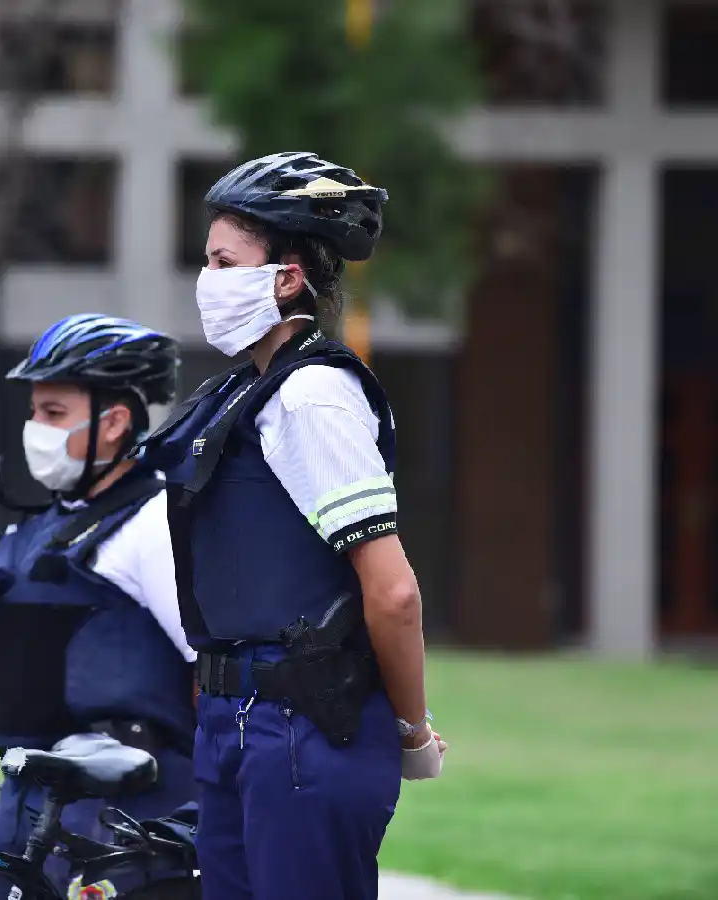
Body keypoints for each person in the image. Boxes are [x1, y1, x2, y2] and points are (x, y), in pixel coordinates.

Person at [137, 152, 447, 900]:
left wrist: (411, 730)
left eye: (223, 261)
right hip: (237, 725)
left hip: (304, 733)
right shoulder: (247, 392)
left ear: (284, 277)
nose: (207, 280)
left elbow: (393, 592)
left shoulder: (313, 399)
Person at [0, 313, 198, 900]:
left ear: (115, 421)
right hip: (32, 796)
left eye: (54, 413)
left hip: (123, 812)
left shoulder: (152, 523)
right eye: (34, 411)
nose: (35, 428)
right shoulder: (47, 524)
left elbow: (213, 662)